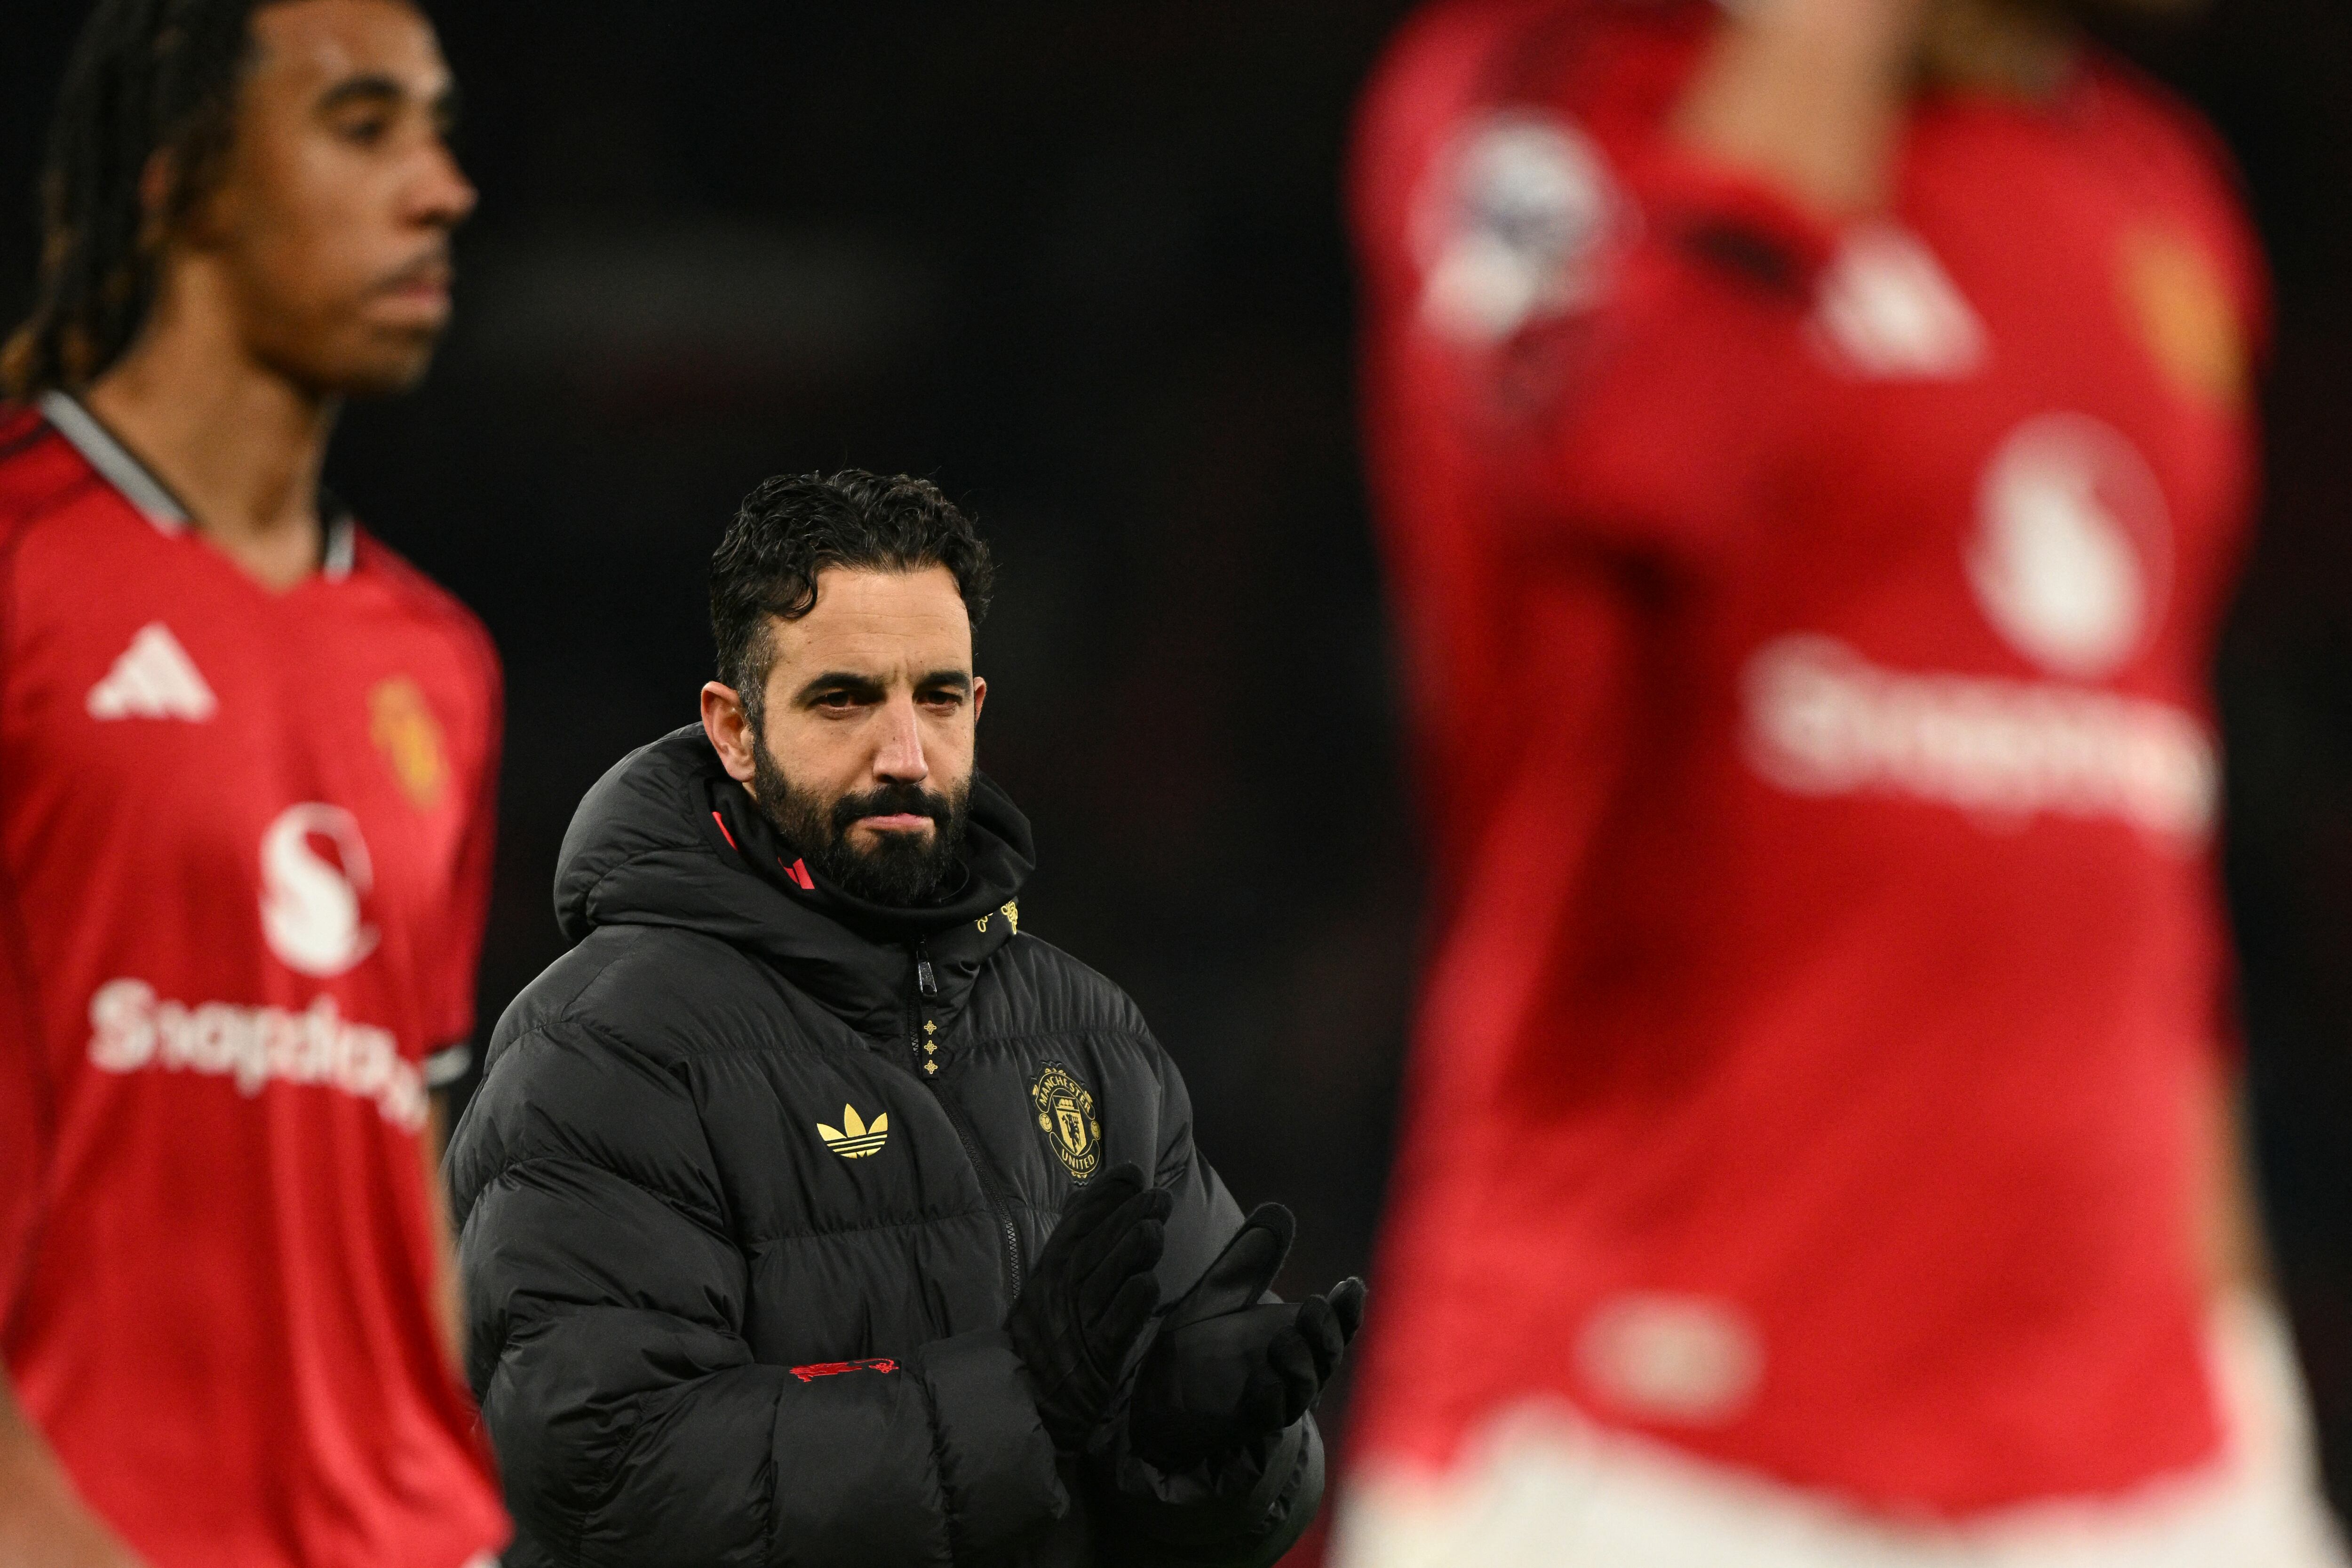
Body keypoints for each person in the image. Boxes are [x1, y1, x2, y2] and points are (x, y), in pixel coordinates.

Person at [1335, 0, 2345, 1562]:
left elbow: (2138, 829)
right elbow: (1627, 466)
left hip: (2142, 1455)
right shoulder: (1547, 93)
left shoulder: (2153, 179)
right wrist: (1820, 38)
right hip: (1638, 1453)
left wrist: (2240, 1382)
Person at [444, 470, 1366, 1568]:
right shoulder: (604, 1049)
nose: (903, 753)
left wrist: (1205, 1445)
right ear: (734, 729)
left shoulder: (1092, 1034)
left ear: (976, 709)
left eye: (936, 696)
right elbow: (609, 1472)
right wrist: (1022, 1396)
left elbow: (1238, 1515)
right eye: (843, 699)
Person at [0, 2, 506, 1567]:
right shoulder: (20, 562)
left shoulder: (439, 660)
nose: (440, 190)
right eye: (362, 127)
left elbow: (399, 1145)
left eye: (436, 130)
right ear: (180, 182)